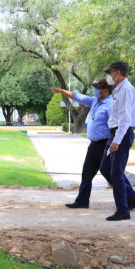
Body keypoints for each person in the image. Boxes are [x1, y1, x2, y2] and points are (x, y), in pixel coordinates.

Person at [50, 79, 114, 209]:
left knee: (110, 174)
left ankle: (131, 197)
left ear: (106, 91)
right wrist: (62, 91)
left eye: (98, 88)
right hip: (93, 145)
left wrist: (114, 143)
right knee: (87, 174)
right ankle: (82, 201)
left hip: (105, 144)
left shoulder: (111, 105)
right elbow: (78, 96)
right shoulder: (95, 101)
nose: (95, 90)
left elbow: (115, 126)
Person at [100, 60, 135, 221]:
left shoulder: (126, 89)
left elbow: (125, 119)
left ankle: (123, 210)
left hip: (121, 134)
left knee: (116, 173)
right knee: (105, 167)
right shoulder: (120, 90)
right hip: (116, 133)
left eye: (110, 73)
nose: (109, 76)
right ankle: (131, 198)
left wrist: (116, 141)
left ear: (118, 72)